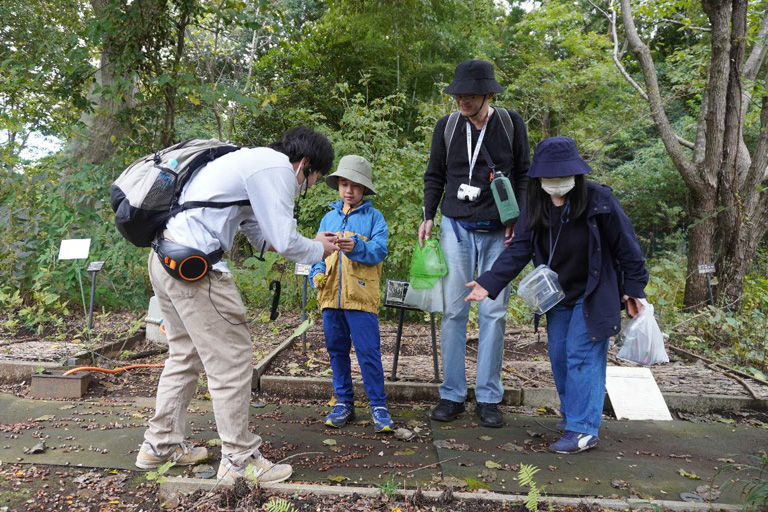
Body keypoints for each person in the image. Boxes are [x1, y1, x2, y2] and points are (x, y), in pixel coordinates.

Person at [135, 126, 339, 483]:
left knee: (185, 353)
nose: (307, 186)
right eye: (314, 178)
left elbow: (260, 235)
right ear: (305, 164)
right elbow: (285, 239)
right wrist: (319, 248)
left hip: (165, 257)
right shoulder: (276, 168)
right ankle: (239, 460)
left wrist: (308, 241)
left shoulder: (246, 161)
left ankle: (160, 446)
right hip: (195, 269)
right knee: (232, 361)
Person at [465, 136, 649, 453]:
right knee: (561, 357)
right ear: (539, 178)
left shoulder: (599, 200)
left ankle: (583, 429)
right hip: (556, 295)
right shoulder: (534, 202)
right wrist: (489, 281)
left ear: (577, 176)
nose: (557, 187)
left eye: (563, 179)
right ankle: (573, 416)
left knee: (581, 355)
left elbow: (627, 248)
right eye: (550, 180)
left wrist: (634, 290)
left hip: (593, 292)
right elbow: (520, 248)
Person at [419, 59, 530, 428]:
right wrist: (428, 214)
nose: (461, 101)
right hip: (455, 228)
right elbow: (434, 174)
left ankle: (488, 396)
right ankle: (451, 394)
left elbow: (525, 175)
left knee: (493, 314)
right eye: (457, 95)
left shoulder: (511, 125)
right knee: (454, 311)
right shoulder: (447, 127)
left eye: (469, 95)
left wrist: (520, 219)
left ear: (487, 94)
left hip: (499, 230)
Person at [308, 155, 394, 433]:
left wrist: (355, 245)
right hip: (330, 297)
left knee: (368, 352)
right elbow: (317, 254)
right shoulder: (329, 217)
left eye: (355, 185)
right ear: (338, 186)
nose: (349, 190)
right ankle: (343, 401)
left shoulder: (375, 218)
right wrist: (316, 274)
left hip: (361, 298)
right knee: (336, 351)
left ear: (365, 189)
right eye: (344, 183)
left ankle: (378, 406)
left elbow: (379, 251)